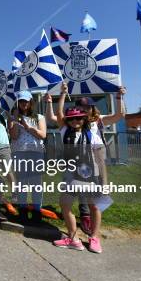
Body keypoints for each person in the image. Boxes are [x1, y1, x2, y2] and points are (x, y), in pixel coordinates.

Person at [45, 83, 126, 234]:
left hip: (96, 154)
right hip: (77, 157)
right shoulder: (72, 124)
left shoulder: (98, 120)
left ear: (92, 108)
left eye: (88, 108)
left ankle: (93, 217)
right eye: (81, 108)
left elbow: (119, 116)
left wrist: (119, 97)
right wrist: (60, 95)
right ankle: (85, 215)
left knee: (100, 187)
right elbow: (56, 117)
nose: (85, 110)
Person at [52, 108, 104, 253]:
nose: (75, 121)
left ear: (84, 119)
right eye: (71, 119)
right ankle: (74, 239)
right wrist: (61, 95)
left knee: (94, 207)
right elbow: (59, 116)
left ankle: (94, 237)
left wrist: (104, 181)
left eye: (79, 118)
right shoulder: (65, 132)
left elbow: (100, 160)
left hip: (90, 175)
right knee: (65, 204)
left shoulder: (92, 135)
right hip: (71, 174)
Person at [8, 90, 46, 224]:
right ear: (17, 103)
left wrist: (27, 126)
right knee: (22, 183)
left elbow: (42, 135)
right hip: (19, 152)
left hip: (36, 152)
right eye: (21, 101)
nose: (24, 104)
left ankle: (37, 211)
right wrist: (14, 120)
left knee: (36, 183)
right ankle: (23, 210)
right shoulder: (12, 117)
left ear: (31, 102)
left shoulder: (39, 117)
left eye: (26, 101)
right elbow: (13, 136)